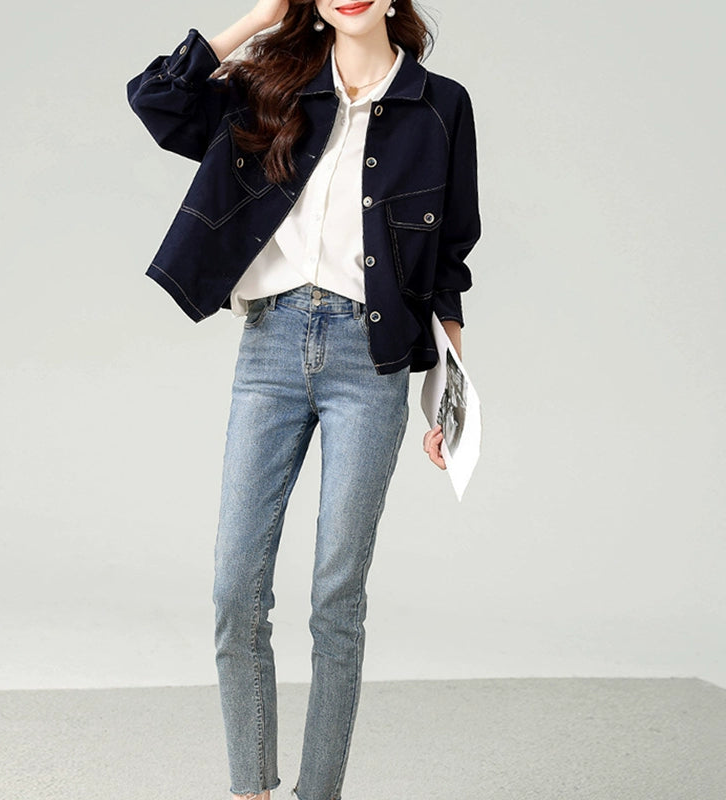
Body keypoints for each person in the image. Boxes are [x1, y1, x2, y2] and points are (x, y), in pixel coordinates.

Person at [126, 1, 481, 797]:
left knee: (336, 598)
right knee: (235, 591)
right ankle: (250, 789)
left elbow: (448, 264)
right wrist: (261, 16)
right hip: (271, 345)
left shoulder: (442, 106)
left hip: (374, 359)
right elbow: (158, 99)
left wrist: (446, 398)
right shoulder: (270, 85)